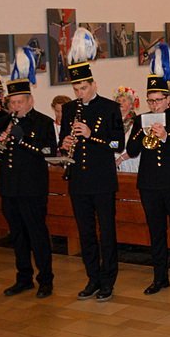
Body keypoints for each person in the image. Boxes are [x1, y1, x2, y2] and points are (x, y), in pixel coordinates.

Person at [58, 28, 125, 302]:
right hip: (79, 180)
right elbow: (64, 140)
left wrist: (91, 135)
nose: (79, 92)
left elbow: (117, 145)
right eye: (75, 88)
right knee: (85, 232)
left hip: (102, 180)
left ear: (94, 85)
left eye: (83, 88)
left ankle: (108, 279)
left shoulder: (109, 108)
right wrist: (64, 144)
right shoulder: (71, 109)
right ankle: (92, 278)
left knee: (106, 231)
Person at [0, 47, 57, 299]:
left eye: (19, 102)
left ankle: (45, 279)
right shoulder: (4, 121)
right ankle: (23, 277)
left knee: (37, 234)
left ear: (30, 101)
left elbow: (48, 151)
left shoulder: (43, 122)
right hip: (10, 188)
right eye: (12, 103)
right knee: (17, 236)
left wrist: (22, 140)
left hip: (33, 188)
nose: (15, 106)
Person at [126, 43, 170, 295]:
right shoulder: (140, 119)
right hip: (149, 183)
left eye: (159, 100)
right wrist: (141, 133)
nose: (154, 105)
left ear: (167, 100)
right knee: (156, 232)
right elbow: (132, 150)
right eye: (151, 101)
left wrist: (166, 136)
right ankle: (159, 277)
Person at [114, 86, 141, 172]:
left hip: (130, 160)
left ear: (131, 105)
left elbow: (137, 146)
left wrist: (121, 159)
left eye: (124, 100)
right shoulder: (113, 121)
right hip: (115, 159)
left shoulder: (136, 122)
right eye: (118, 101)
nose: (120, 103)